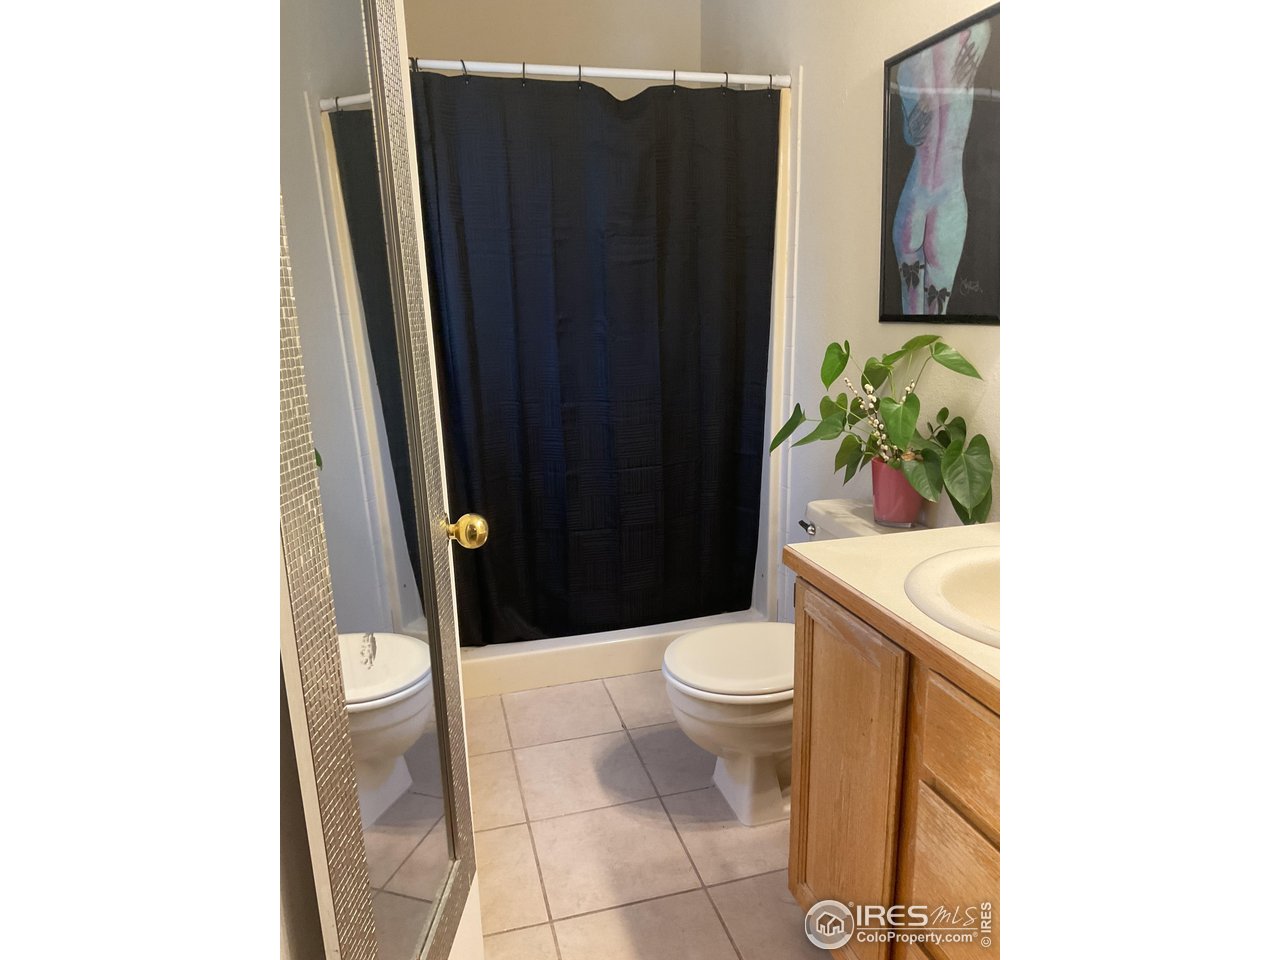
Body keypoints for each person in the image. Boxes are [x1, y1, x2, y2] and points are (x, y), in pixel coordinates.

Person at [891, 21, 991, 315]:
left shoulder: (907, 63)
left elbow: (912, 137)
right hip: (946, 198)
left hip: (915, 197)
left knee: (911, 318)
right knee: (936, 320)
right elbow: (956, 89)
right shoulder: (973, 34)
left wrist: (925, 105)